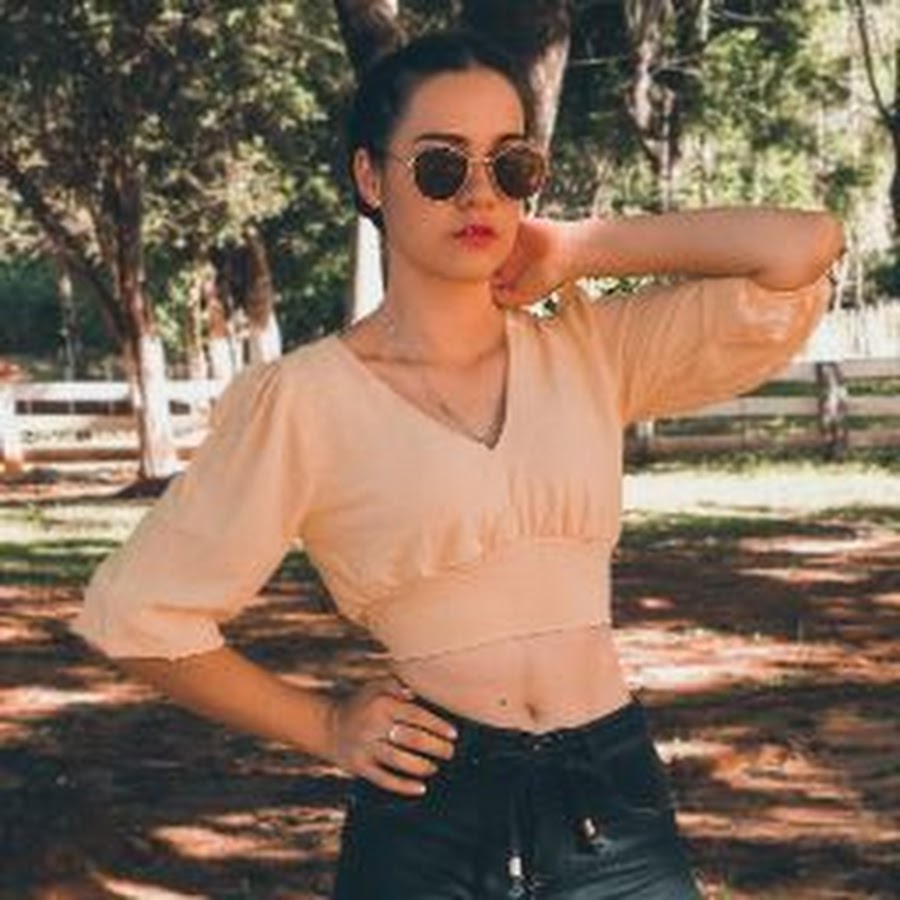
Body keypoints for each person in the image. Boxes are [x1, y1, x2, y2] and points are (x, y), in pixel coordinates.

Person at [71, 29, 844, 900]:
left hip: (612, 803)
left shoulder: (588, 350)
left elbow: (803, 247)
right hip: (431, 810)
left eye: (510, 166)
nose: (480, 193)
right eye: (441, 166)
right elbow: (136, 615)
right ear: (371, 179)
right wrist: (323, 724)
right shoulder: (304, 399)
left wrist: (577, 248)